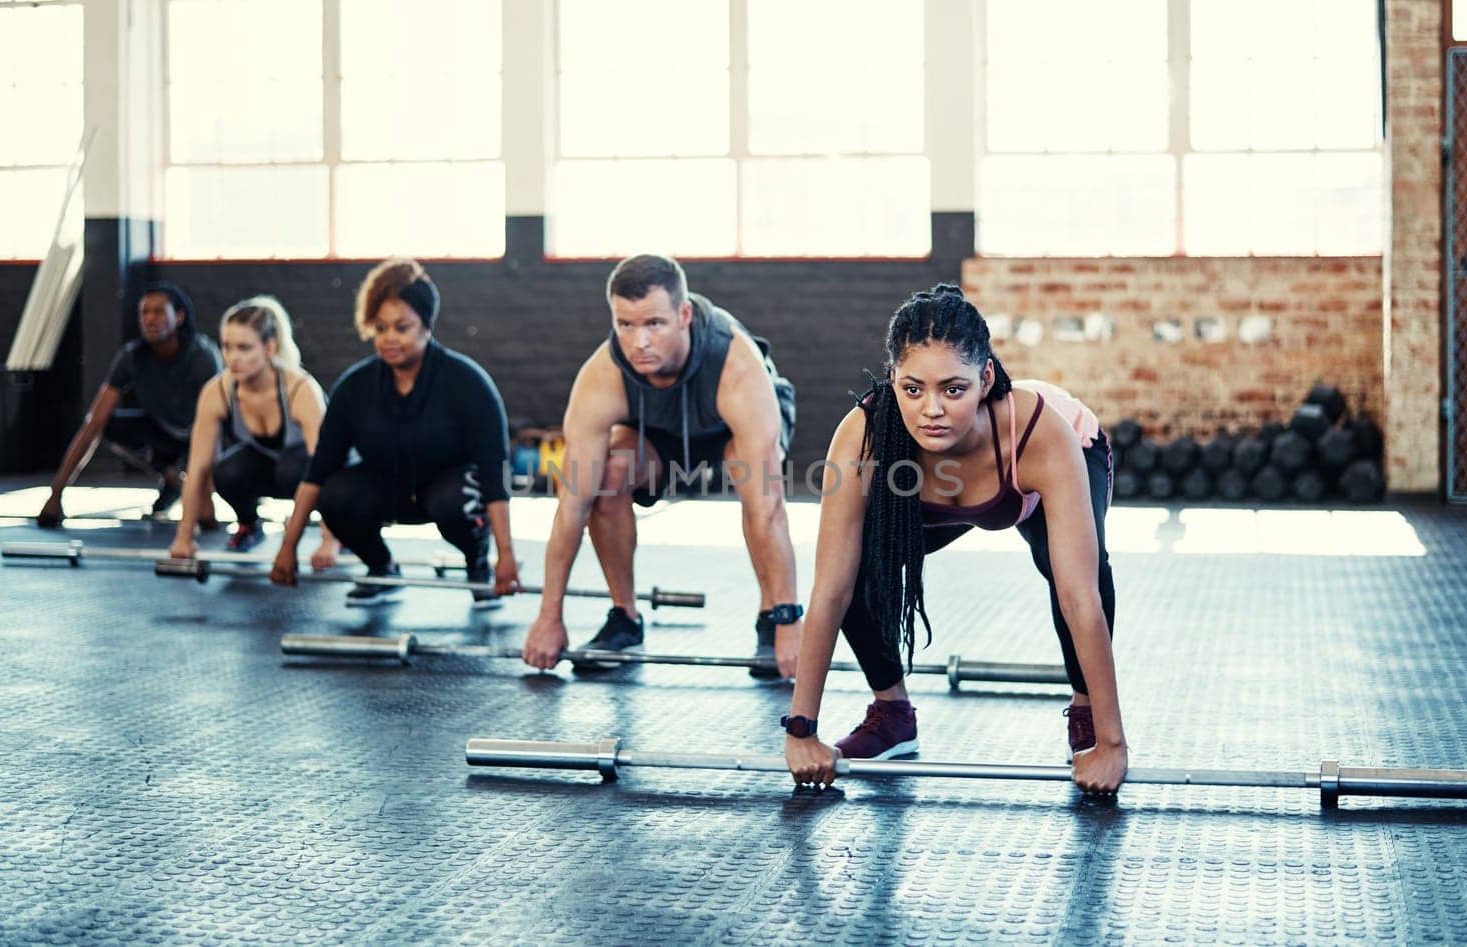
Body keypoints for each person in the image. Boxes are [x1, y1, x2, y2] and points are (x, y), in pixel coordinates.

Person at [782, 284, 1127, 794]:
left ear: (985, 378)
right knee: (855, 566)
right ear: (893, 380)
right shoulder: (866, 435)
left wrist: (1113, 745)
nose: (931, 410)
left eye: (954, 389)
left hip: (1036, 468)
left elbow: (1081, 599)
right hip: (939, 491)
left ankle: (1086, 712)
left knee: (1074, 570)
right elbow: (830, 588)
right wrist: (801, 731)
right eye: (913, 389)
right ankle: (892, 712)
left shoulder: (1043, 434)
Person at [521, 253, 801, 676]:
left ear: (684, 314)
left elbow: (770, 509)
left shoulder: (736, 365)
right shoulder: (603, 376)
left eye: (654, 324)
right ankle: (625, 617)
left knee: (753, 483)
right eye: (625, 325)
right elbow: (570, 507)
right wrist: (549, 615)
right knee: (608, 474)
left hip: (734, 428)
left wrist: (790, 621)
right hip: (660, 432)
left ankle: (770, 617)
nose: (640, 342)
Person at [268, 259, 519, 604]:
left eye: (402, 327)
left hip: (449, 493)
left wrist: (504, 554)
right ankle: (381, 567)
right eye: (381, 328)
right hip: (388, 490)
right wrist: (288, 547)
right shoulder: (355, 387)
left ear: (426, 326)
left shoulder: (467, 382)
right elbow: (319, 468)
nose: (389, 339)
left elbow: (494, 471)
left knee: (454, 499)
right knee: (335, 494)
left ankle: (476, 561)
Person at [167, 296, 339, 562]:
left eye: (244, 348)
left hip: (311, 478)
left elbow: (326, 467)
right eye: (227, 347)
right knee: (226, 471)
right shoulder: (218, 391)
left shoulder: (300, 389)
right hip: (271, 473)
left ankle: (341, 529)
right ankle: (248, 525)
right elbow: (198, 467)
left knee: (292, 466)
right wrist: (184, 537)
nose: (233, 358)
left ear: (269, 348)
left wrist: (330, 541)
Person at [39, 281, 222, 527]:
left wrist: (205, 498)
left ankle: (189, 485)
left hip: (203, 436)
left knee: (206, 519)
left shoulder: (202, 356)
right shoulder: (131, 357)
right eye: (144, 312)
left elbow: (215, 426)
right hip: (164, 436)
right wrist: (56, 494)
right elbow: (93, 423)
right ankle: (172, 479)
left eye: (158, 312)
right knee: (109, 425)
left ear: (178, 317)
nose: (149, 319)